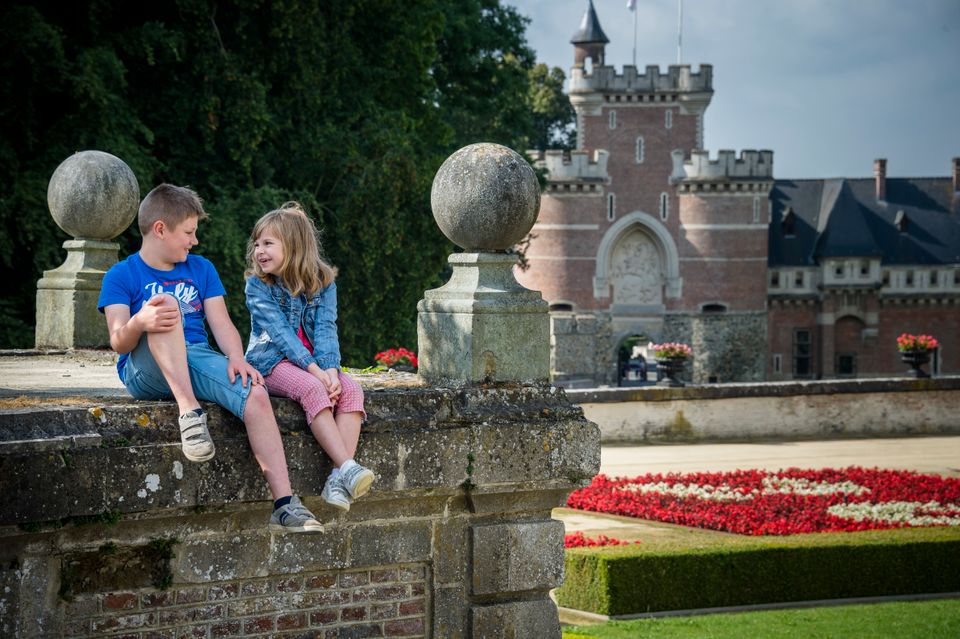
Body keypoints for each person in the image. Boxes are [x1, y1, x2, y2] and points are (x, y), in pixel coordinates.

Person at [97, 184, 323, 533]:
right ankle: (190, 412)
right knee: (165, 305)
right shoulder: (122, 275)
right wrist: (140, 321)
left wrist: (236, 357)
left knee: (255, 393)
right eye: (188, 232)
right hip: (146, 369)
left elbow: (221, 323)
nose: (195, 241)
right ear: (160, 229)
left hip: (198, 358)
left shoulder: (201, 269)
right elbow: (118, 342)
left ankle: (284, 505)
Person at [244, 202, 374, 513]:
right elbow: (280, 334)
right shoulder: (258, 286)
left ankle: (335, 480)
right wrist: (317, 372)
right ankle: (347, 466)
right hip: (271, 362)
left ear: (294, 246)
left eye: (268, 243)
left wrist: (330, 369)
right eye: (257, 243)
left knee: (352, 389)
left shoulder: (324, 283)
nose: (259, 251)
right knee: (313, 389)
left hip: (315, 364)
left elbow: (327, 328)